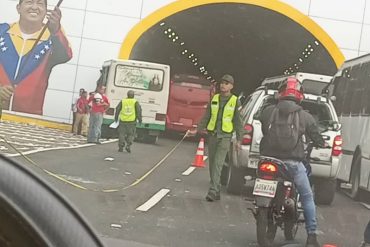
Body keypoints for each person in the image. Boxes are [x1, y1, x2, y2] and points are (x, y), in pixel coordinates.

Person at [259, 77, 326, 247]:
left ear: (280, 93)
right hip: (292, 164)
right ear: (300, 96)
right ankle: (311, 235)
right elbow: (317, 138)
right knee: (307, 196)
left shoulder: (268, 111)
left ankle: (262, 206)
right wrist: (321, 143)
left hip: (269, 160)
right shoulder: (305, 116)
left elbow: (263, 127)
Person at [0, 0, 72, 115]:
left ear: (46, 11)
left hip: (29, 118)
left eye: (40, 3)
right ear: (18, 8)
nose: (34, 7)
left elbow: (65, 55)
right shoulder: (2, 31)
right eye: (29, 2)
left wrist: (56, 30)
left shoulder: (52, 38)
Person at [189, 74, 243, 202]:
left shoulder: (235, 101)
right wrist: (197, 130)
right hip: (213, 135)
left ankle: (212, 191)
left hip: (225, 136)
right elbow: (206, 116)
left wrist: (238, 140)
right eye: (222, 83)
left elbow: (238, 121)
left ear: (231, 86)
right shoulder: (214, 98)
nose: (223, 85)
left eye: (226, 83)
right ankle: (217, 188)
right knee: (212, 164)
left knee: (218, 163)